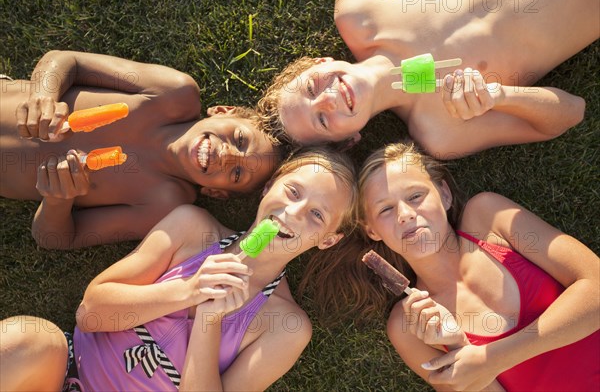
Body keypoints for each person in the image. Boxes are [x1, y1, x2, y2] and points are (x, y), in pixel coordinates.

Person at [0, 146, 358, 391]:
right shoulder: (191, 228)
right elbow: (91, 314)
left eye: (317, 215)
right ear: (268, 188)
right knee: (28, 337)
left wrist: (209, 320)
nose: (293, 212)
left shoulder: (287, 328)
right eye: (293, 192)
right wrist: (188, 290)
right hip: (63, 371)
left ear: (327, 240)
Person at [302, 142, 599, 391]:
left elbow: (595, 288)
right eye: (386, 209)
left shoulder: (489, 218)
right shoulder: (407, 326)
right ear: (372, 231)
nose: (405, 214)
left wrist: (490, 358)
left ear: (444, 194)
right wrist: (458, 346)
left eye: (415, 196)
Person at [257, 0, 598, 157]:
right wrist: (501, 97)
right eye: (322, 120)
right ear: (350, 140)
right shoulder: (440, 131)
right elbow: (571, 112)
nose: (328, 98)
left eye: (310, 87)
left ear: (320, 61)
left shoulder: (358, 17)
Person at [1, 50, 281, 249]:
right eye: (240, 140)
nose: (228, 156)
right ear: (222, 111)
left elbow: (57, 239)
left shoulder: (162, 204)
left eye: (236, 174)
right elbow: (67, 60)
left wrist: (57, 200)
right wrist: (42, 95)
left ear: (215, 192)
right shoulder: (174, 94)